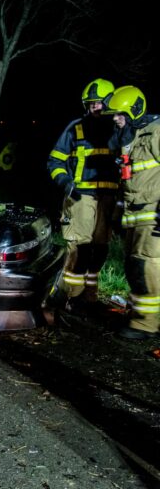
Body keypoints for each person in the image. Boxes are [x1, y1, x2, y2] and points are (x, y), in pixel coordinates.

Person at [45, 78, 119, 317]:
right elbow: (55, 160)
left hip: (107, 198)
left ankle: (89, 296)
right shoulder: (75, 128)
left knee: (100, 248)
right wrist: (66, 184)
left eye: (98, 103)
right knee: (79, 249)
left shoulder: (120, 129)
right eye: (90, 104)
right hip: (80, 198)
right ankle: (67, 298)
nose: (94, 108)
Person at [103, 85, 160, 340]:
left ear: (135, 110)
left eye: (119, 114)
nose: (115, 118)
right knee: (135, 266)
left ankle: (146, 324)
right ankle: (141, 317)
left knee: (146, 266)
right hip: (133, 213)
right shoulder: (129, 136)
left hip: (153, 213)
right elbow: (126, 180)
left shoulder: (156, 132)